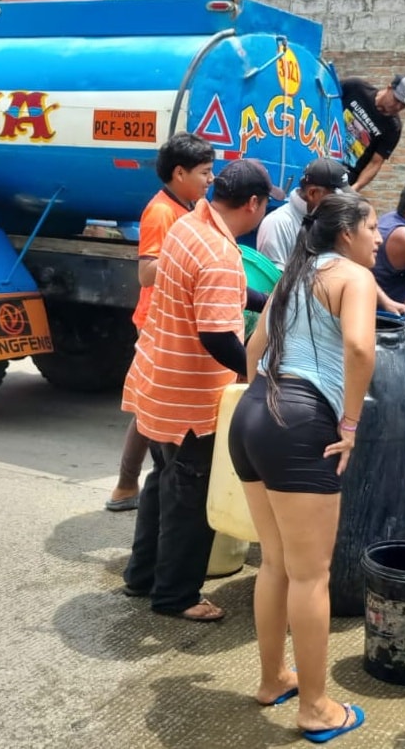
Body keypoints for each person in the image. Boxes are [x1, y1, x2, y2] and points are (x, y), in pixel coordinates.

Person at [227, 193, 378, 742]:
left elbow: (254, 347)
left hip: (253, 412)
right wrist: (350, 425)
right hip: (301, 419)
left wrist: (262, 407)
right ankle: (315, 707)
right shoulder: (354, 277)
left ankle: (273, 679)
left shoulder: (292, 275)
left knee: (275, 563)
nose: (378, 237)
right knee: (311, 574)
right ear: (346, 233)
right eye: (372, 227)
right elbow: (360, 349)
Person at [120, 158, 283, 621]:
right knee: (190, 497)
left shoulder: (190, 224)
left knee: (163, 481)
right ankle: (176, 596)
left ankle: (141, 576)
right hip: (190, 397)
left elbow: (213, 291)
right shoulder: (220, 253)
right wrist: (258, 374)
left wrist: (267, 301)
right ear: (253, 204)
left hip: (159, 382)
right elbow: (216, 336)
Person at [107, 132, 215, 512]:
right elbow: (146, 273)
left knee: (152, 405)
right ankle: (128, 485)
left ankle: (132, 486)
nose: (210, 179)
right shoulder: (161, 212)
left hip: (170, 319)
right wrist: (189, 256)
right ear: (180, 173)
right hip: (156, 321)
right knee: (151, 406)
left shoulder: (188, 206)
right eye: (204, 172)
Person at [256, 157, 352, 271]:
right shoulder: (278, 224)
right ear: (313, 193)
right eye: (336, 198)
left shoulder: (328, 221)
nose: (341, 204)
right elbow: (274, 279)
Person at [341, 74, 405, 191]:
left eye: (404, 105)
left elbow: (375, 163)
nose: (398, 106)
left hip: (345, 173)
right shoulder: (356, 87)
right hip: (320, 147)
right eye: (397, 99)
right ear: (389, 88)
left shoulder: (393, 128)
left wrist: (354, 188)